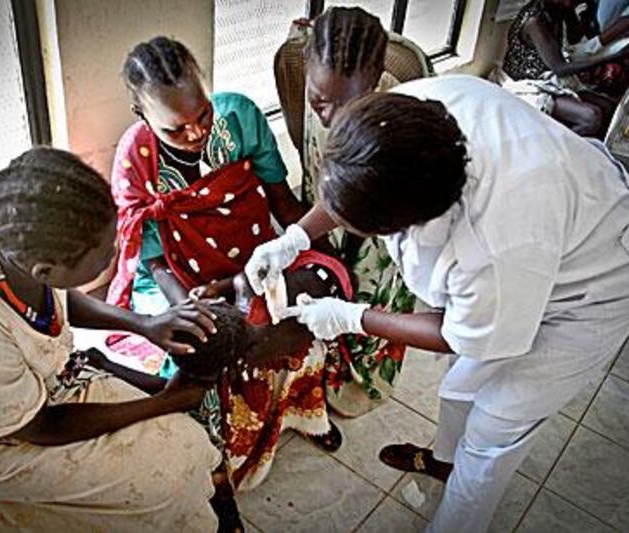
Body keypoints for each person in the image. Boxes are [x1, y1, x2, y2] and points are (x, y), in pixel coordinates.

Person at [245, 75, 629, 532]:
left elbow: (460, 334)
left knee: (494, 428)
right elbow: (353, 180)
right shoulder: (405, 118)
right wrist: (296, 236)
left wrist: (355, 318)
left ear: (403, 222)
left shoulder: (498, 242)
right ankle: (443, 461)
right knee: (460, 386)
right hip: (557, 224)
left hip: (601, 280)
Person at [0, 147, 223, 532]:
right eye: (102, 256)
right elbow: (40, 426)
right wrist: (166, 402)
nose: (115, 253)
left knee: (191, 444)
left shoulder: (15, 234)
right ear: (45, 269)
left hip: (30, 390)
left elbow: (56, 298)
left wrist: (145, 324)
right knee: (166, 478)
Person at [106, 36, 341, 477]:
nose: (195, 134)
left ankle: (304, 413)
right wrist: (190, 306)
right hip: (175, 277)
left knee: (302, 309)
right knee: (199, 351)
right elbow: (154, 262)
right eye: (175, 128)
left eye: (202, 114)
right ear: (142, 115)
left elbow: (280, 201)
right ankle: (215, 471)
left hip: (252, 254)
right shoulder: (134, 160)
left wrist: (322, 252)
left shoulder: (241, 116)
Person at [275, 6, 427, 417]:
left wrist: (349, 250)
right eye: (321, 101)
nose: (334, 116)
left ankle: (358, 376)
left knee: (362, 296)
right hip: (329, 198)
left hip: (378, 223)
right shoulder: (314, 79)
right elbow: (308, 137)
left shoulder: (398, 121)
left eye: (351, 103)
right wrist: (297, 236)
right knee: (326, 278)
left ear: (376, 81)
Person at [172, 249, 353, 489]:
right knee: (251, 401)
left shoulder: (287, 329)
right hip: (304, 309)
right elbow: (240, 279)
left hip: (309, 325)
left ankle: (308, 421)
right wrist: (218, 286)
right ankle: (249, 450)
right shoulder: (244, 289)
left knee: (295, 380)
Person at [497, 0, 629, 136]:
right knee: (591, 117)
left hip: (549, 78)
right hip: (529, 83)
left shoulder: (559, 8)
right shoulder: (534, 22)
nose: (570, 3)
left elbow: (575, 37)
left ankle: (587, 150)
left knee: (609, 107)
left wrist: (579, 11)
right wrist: (611, 56)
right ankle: (552, 151)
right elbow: (560, 68)